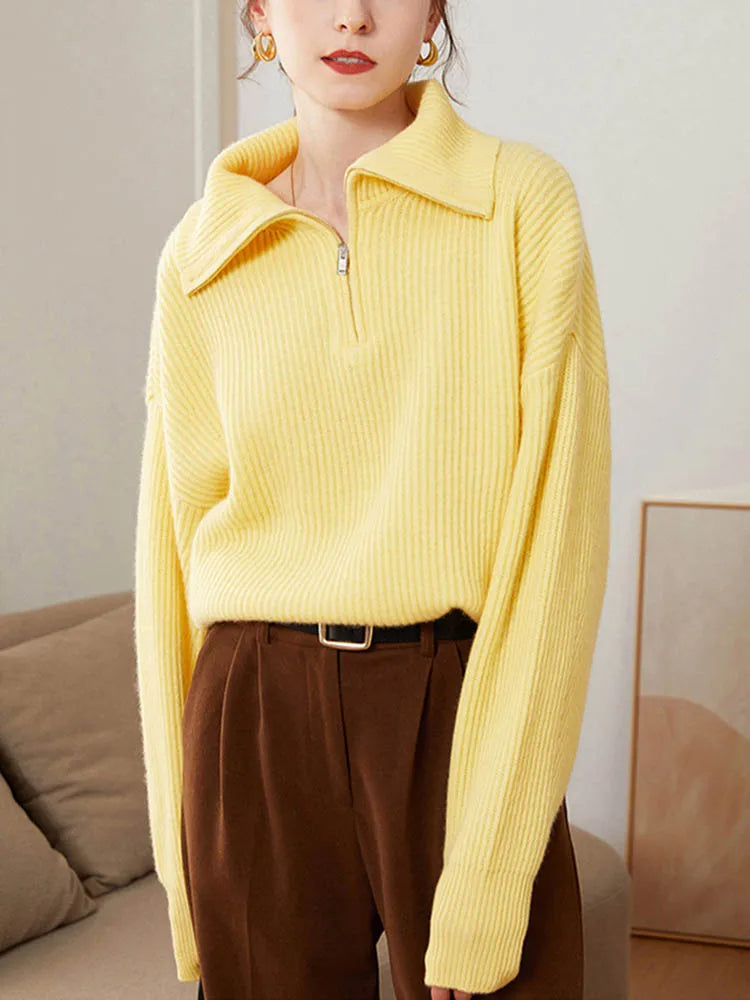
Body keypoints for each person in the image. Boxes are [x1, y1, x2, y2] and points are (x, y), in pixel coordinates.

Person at [133, 1, 611, 998]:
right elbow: (168, 567)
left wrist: (489, 869)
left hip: (454, 700)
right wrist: (187, 876)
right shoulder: (200, 252)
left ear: (434, 10)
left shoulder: (518, 203)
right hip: (253, 715)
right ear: (258, 12)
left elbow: (556, 543)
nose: (352, 16)